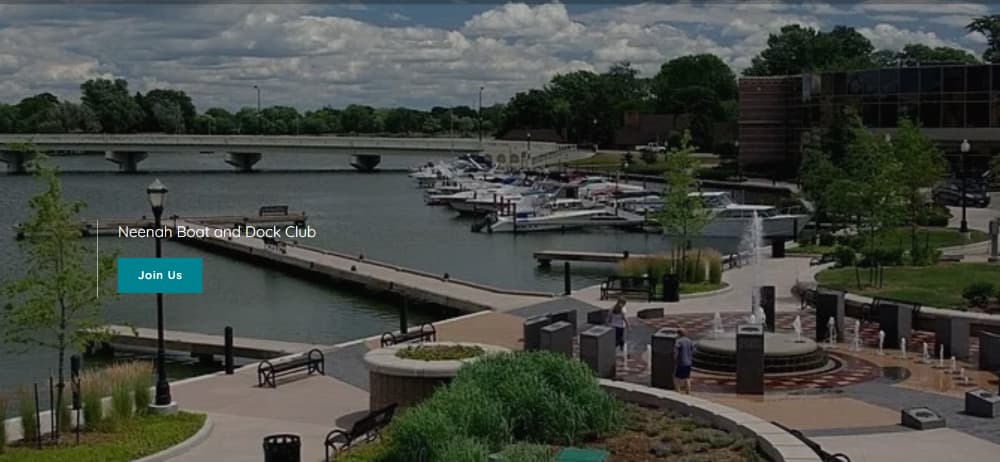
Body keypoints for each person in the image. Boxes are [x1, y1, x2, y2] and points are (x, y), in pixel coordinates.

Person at [674, 328, 694, 394]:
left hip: (681, 362)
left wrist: (675, 359)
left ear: (679, 334)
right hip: (688, 362)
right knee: (687, 378)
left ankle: (678, 392)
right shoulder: (690, 341)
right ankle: (688, 392)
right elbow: (692, 351)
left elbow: (676, 351)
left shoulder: (678, 341)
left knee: (676, 378)